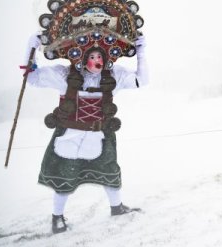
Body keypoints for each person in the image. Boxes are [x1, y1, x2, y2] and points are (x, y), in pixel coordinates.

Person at [23, 33, 148, 233]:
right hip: (69, 135)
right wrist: (31, 49)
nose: (96, 61)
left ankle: (117, 208)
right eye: (92, 57)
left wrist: (141, 52)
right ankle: (57, 218)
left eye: (100, 57)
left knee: (110, 172)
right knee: (64, 176)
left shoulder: (114, 76)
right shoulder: (64, 76)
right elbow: (32, 77)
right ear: (82, 57)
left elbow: (142, 80)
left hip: (100, 134)